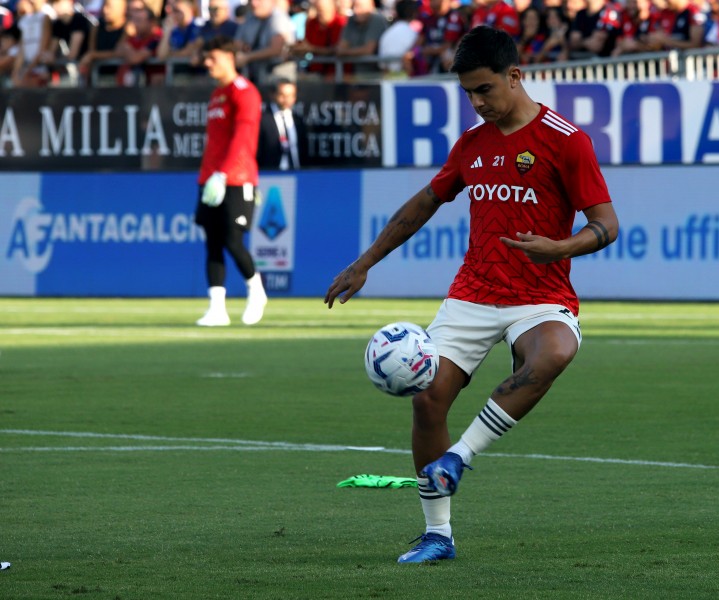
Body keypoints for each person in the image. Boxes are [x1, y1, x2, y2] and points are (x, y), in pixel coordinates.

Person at [325, 25, 618, 564]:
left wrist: (559, 247)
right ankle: (438, 534)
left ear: (515, 76)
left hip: (540, 293)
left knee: (554, 352)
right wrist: (365, 263)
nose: (477, 103)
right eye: (469, 94)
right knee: (428, 398)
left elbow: (606, 224)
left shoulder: (565, 140)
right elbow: (423, 204)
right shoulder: (472, 145)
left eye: (485, 90)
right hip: (473, 292)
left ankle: (459, 457)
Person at [195, 35, 268, 327]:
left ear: (229, 58)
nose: (207, 63)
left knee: (232, 240)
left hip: (235, 179)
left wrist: (225, 174)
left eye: (212, 58)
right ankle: (217, 308)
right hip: (210, 178)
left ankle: (256, 290)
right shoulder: (217, 94)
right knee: (212, 242)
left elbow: (243, 139)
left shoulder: (245, 92)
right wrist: (210, 176)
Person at [257, 77, 304, 170]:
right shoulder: (263, 119)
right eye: (282, 95)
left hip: (296, 171)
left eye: (291, 95)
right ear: (273, 95)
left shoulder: (298, 120)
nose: (286, 99)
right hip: (271, 173)